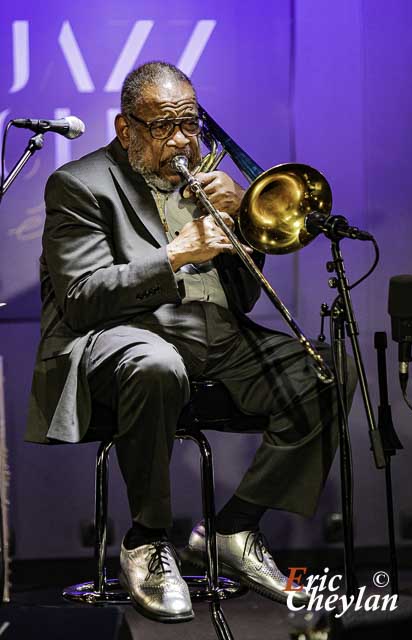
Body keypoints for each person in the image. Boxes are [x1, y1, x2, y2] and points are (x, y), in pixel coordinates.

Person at [26, 61, 357, 623]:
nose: (180, 139)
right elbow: (81, 296)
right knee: (156, 365)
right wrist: (177, 253)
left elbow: (244, 299)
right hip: (126, 336)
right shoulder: (80, 184)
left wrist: (242, 229)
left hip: (218, 336)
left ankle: (233, 528)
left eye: (189, 123)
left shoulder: (202, 184)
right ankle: (148, 540)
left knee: (326, 370)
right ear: (125, 127)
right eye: (162, 127)